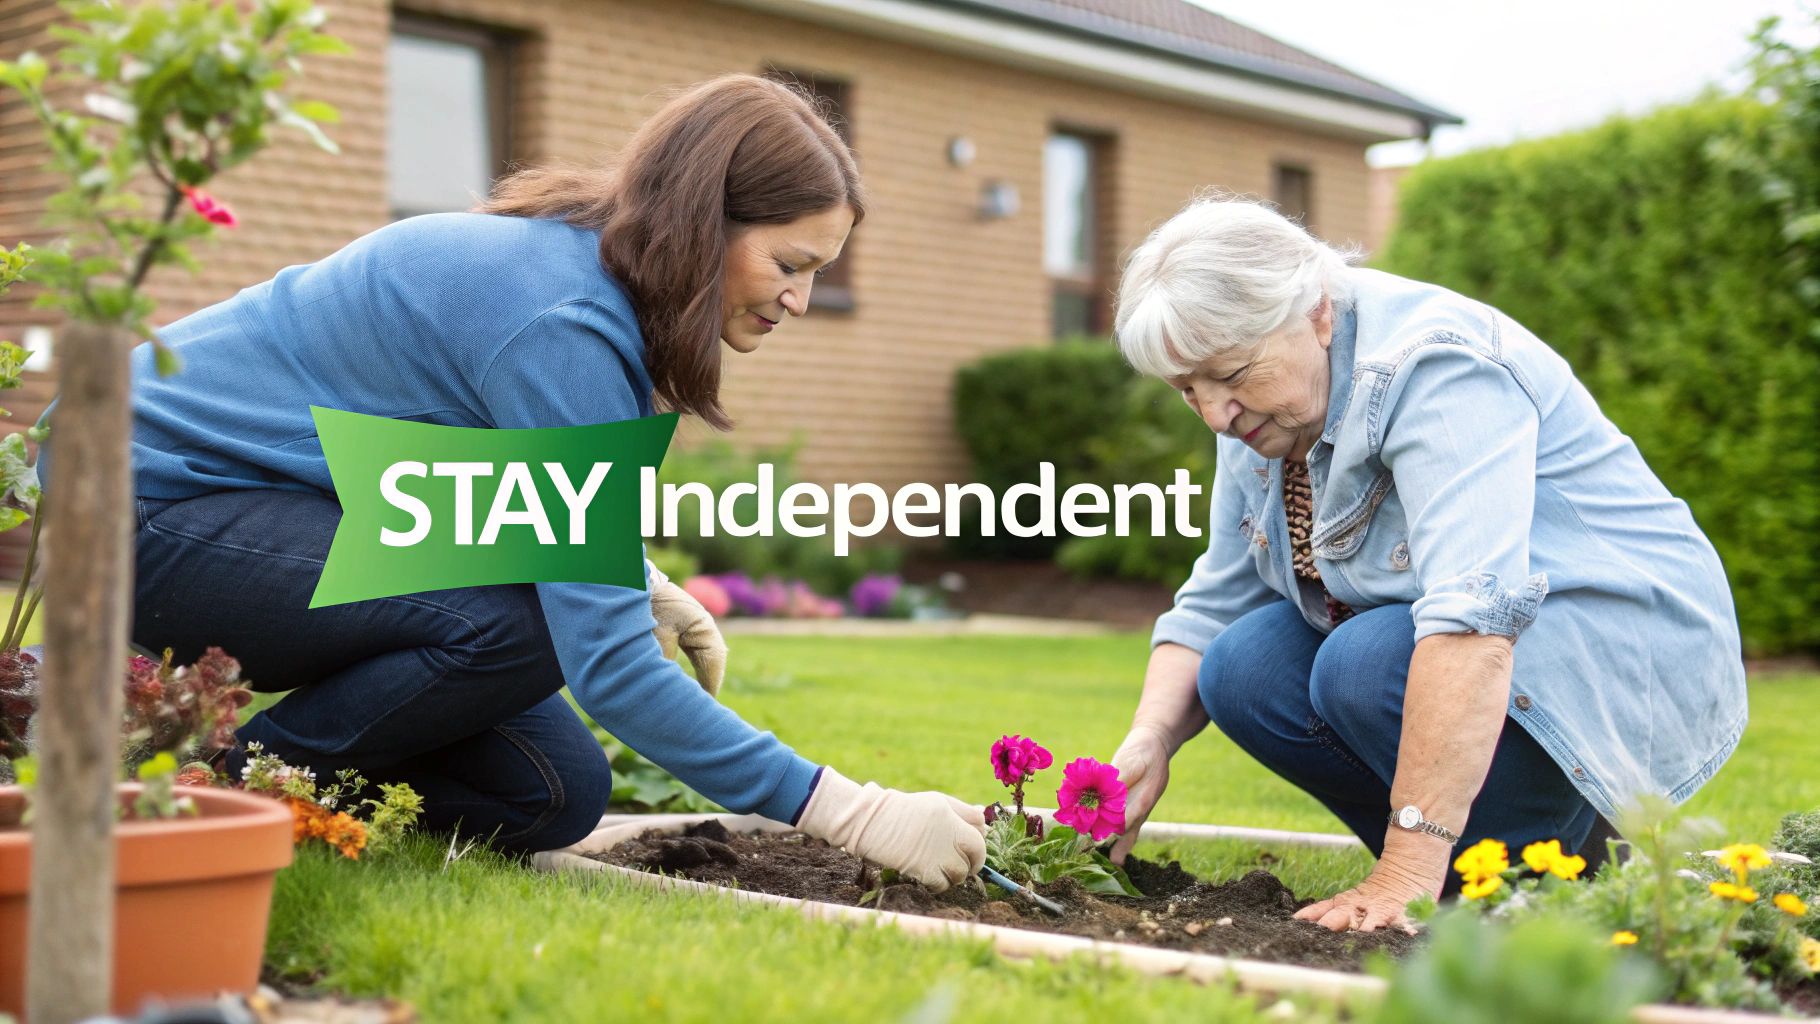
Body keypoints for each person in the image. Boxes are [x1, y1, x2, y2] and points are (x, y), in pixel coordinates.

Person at [45, 74, 985, 887]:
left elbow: (428, 470)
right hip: (135, 506)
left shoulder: (585, 276)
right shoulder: (563, 318)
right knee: (528, 622)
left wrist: (633, 574)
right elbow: (609, 668)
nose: (800, 299)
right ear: (706, 225)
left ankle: (277, 797)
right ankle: (215, 794)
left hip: (261, 504)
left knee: (545, 791)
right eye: (789, 263)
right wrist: (856, 814)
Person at [1103, 196, 1745, 932]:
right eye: (1189, 390)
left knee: (1363, 663)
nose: (1216, 414)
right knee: (1241, 667)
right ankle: (1494, 865)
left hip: (1621, 654)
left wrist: (1405, 863)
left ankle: (1509, 870)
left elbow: (1474, 618)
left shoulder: (1436, 369)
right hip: (1496, 659)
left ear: (1315, 312)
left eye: (1231, 375)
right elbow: (1217, 603)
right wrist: (1148, 742)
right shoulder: (1264, 404)